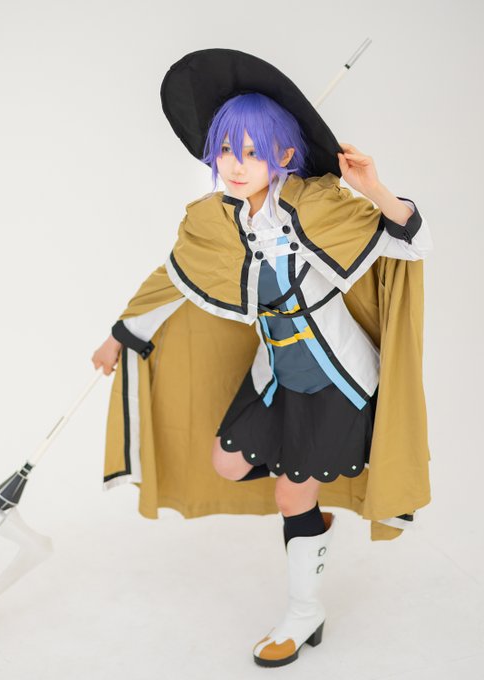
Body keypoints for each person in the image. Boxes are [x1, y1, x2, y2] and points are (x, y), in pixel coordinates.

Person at [91, 49, 433, 668]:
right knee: (226, 462)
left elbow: (413, 241)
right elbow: (173, 277)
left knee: (291, 495)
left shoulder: (321, 205)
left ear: (284, 155)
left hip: (336, 381)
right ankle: (311, 514)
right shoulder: (214, 222)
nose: (236, 163)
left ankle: (303, 613)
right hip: (276, 376)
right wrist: (121, 334)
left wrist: (373, 189)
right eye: (226, 149)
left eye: (253, 151)